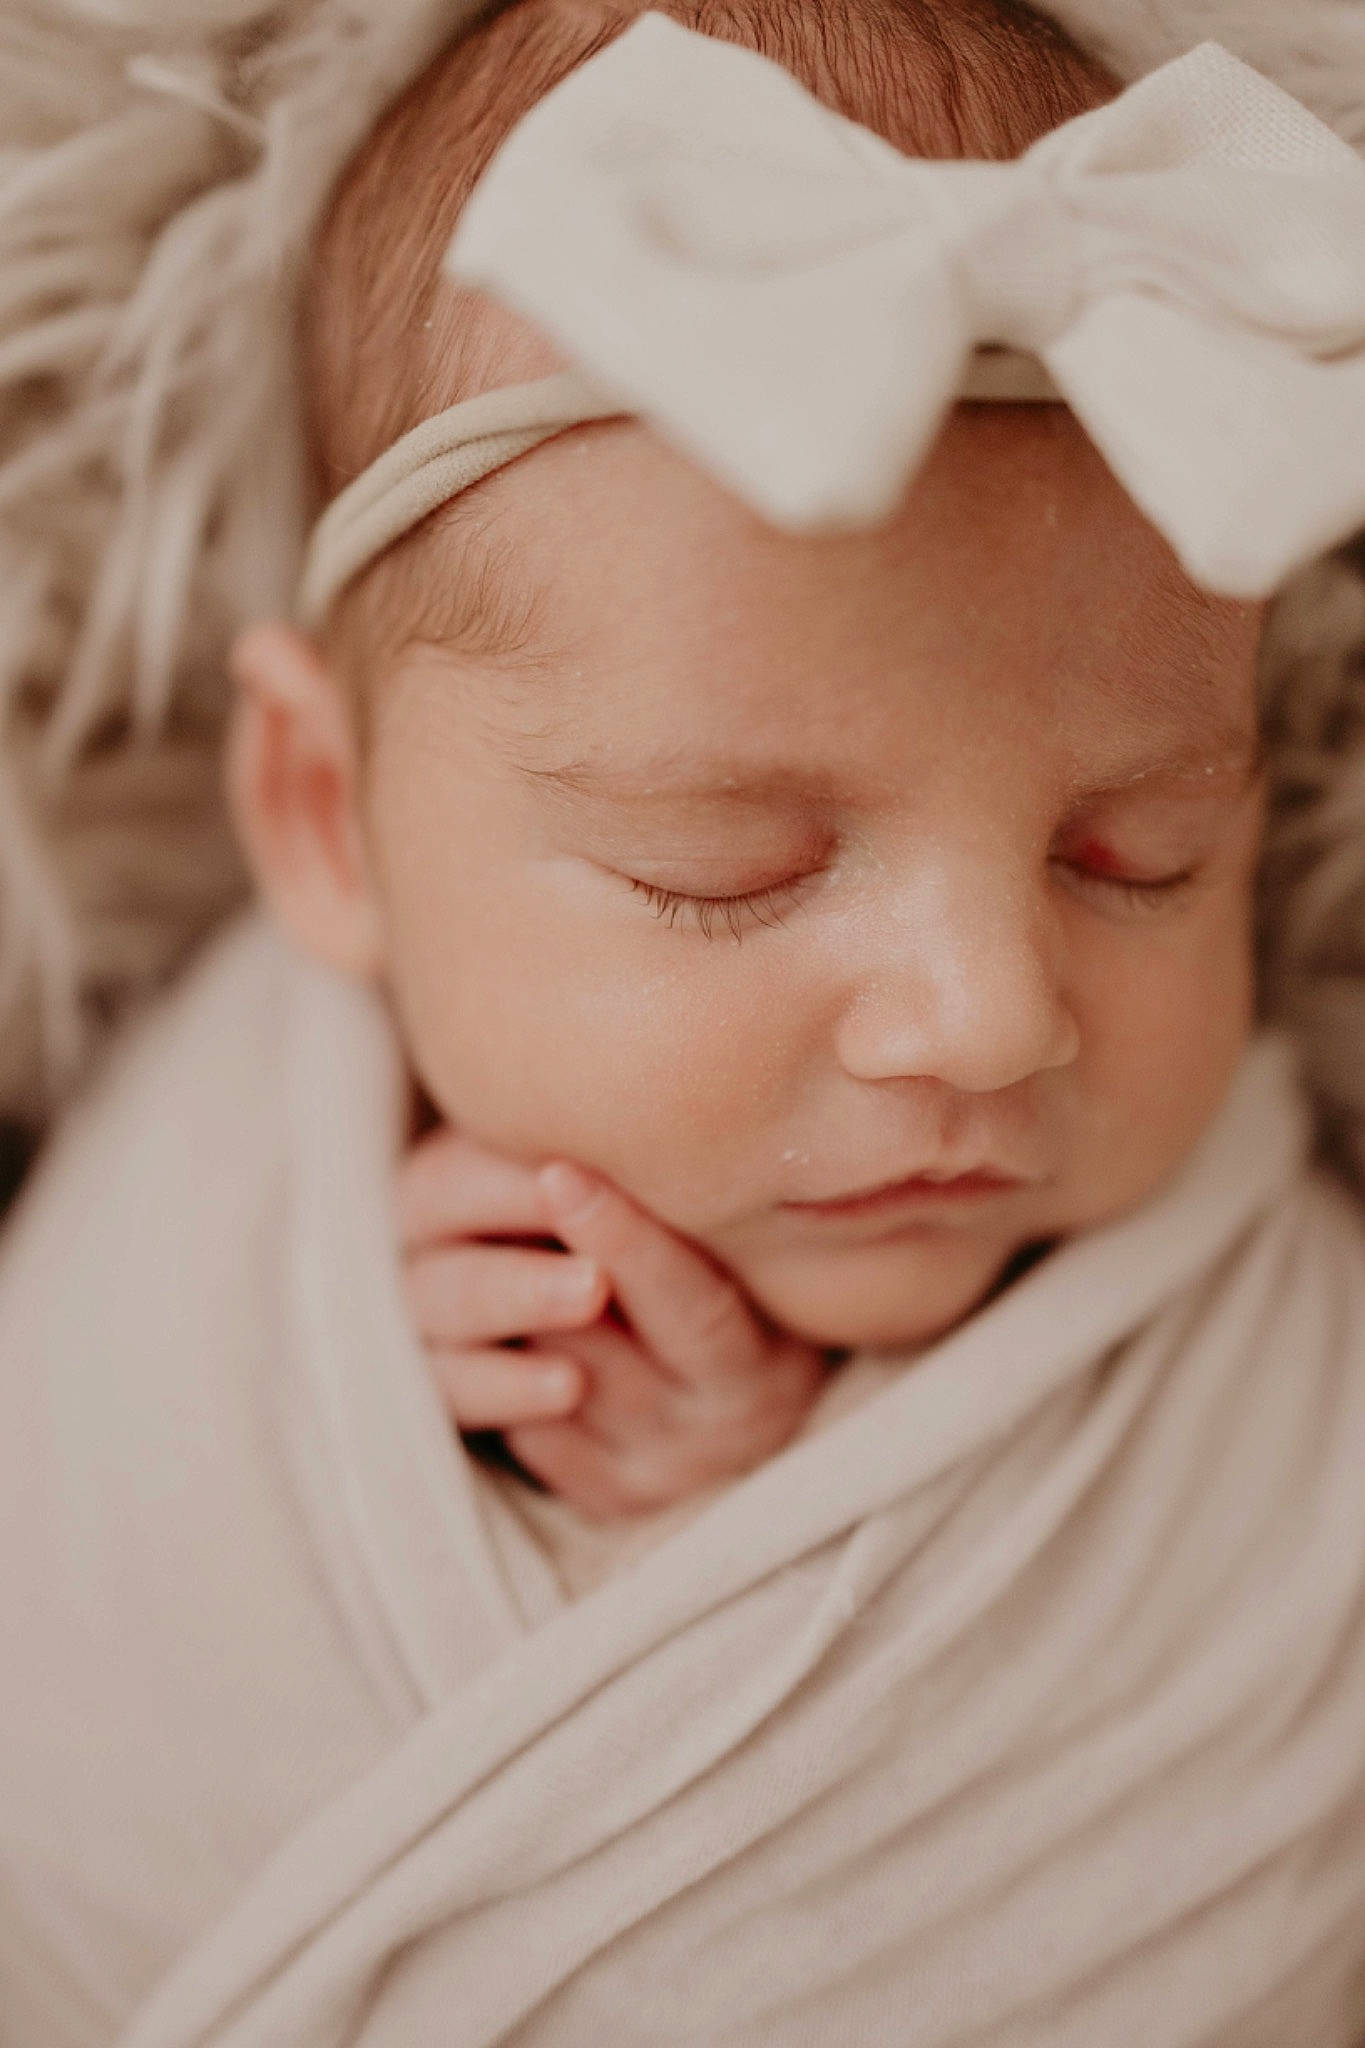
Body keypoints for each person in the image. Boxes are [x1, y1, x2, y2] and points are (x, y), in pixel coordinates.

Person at [5, 2, 1365, 2042]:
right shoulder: (219, 1214)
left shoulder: (1270, 1395)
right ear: (323, 817)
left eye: (1135, 854)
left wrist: (731, 1477)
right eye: (723, 867)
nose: (985, 1019)